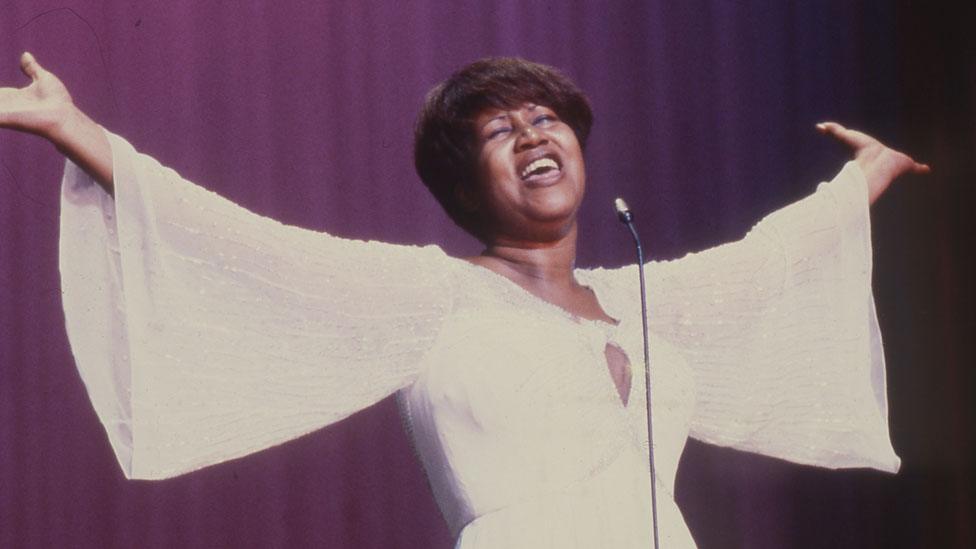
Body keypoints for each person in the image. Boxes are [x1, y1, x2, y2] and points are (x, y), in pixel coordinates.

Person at [1, 53, 929, 548]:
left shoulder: (649, 299)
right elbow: (241, 241)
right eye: (499, 127)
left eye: (546, 117)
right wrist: (74, 130)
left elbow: (770, 260)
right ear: (460, 180)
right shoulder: (426, 296)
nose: (532, 132)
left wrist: (865, 179)